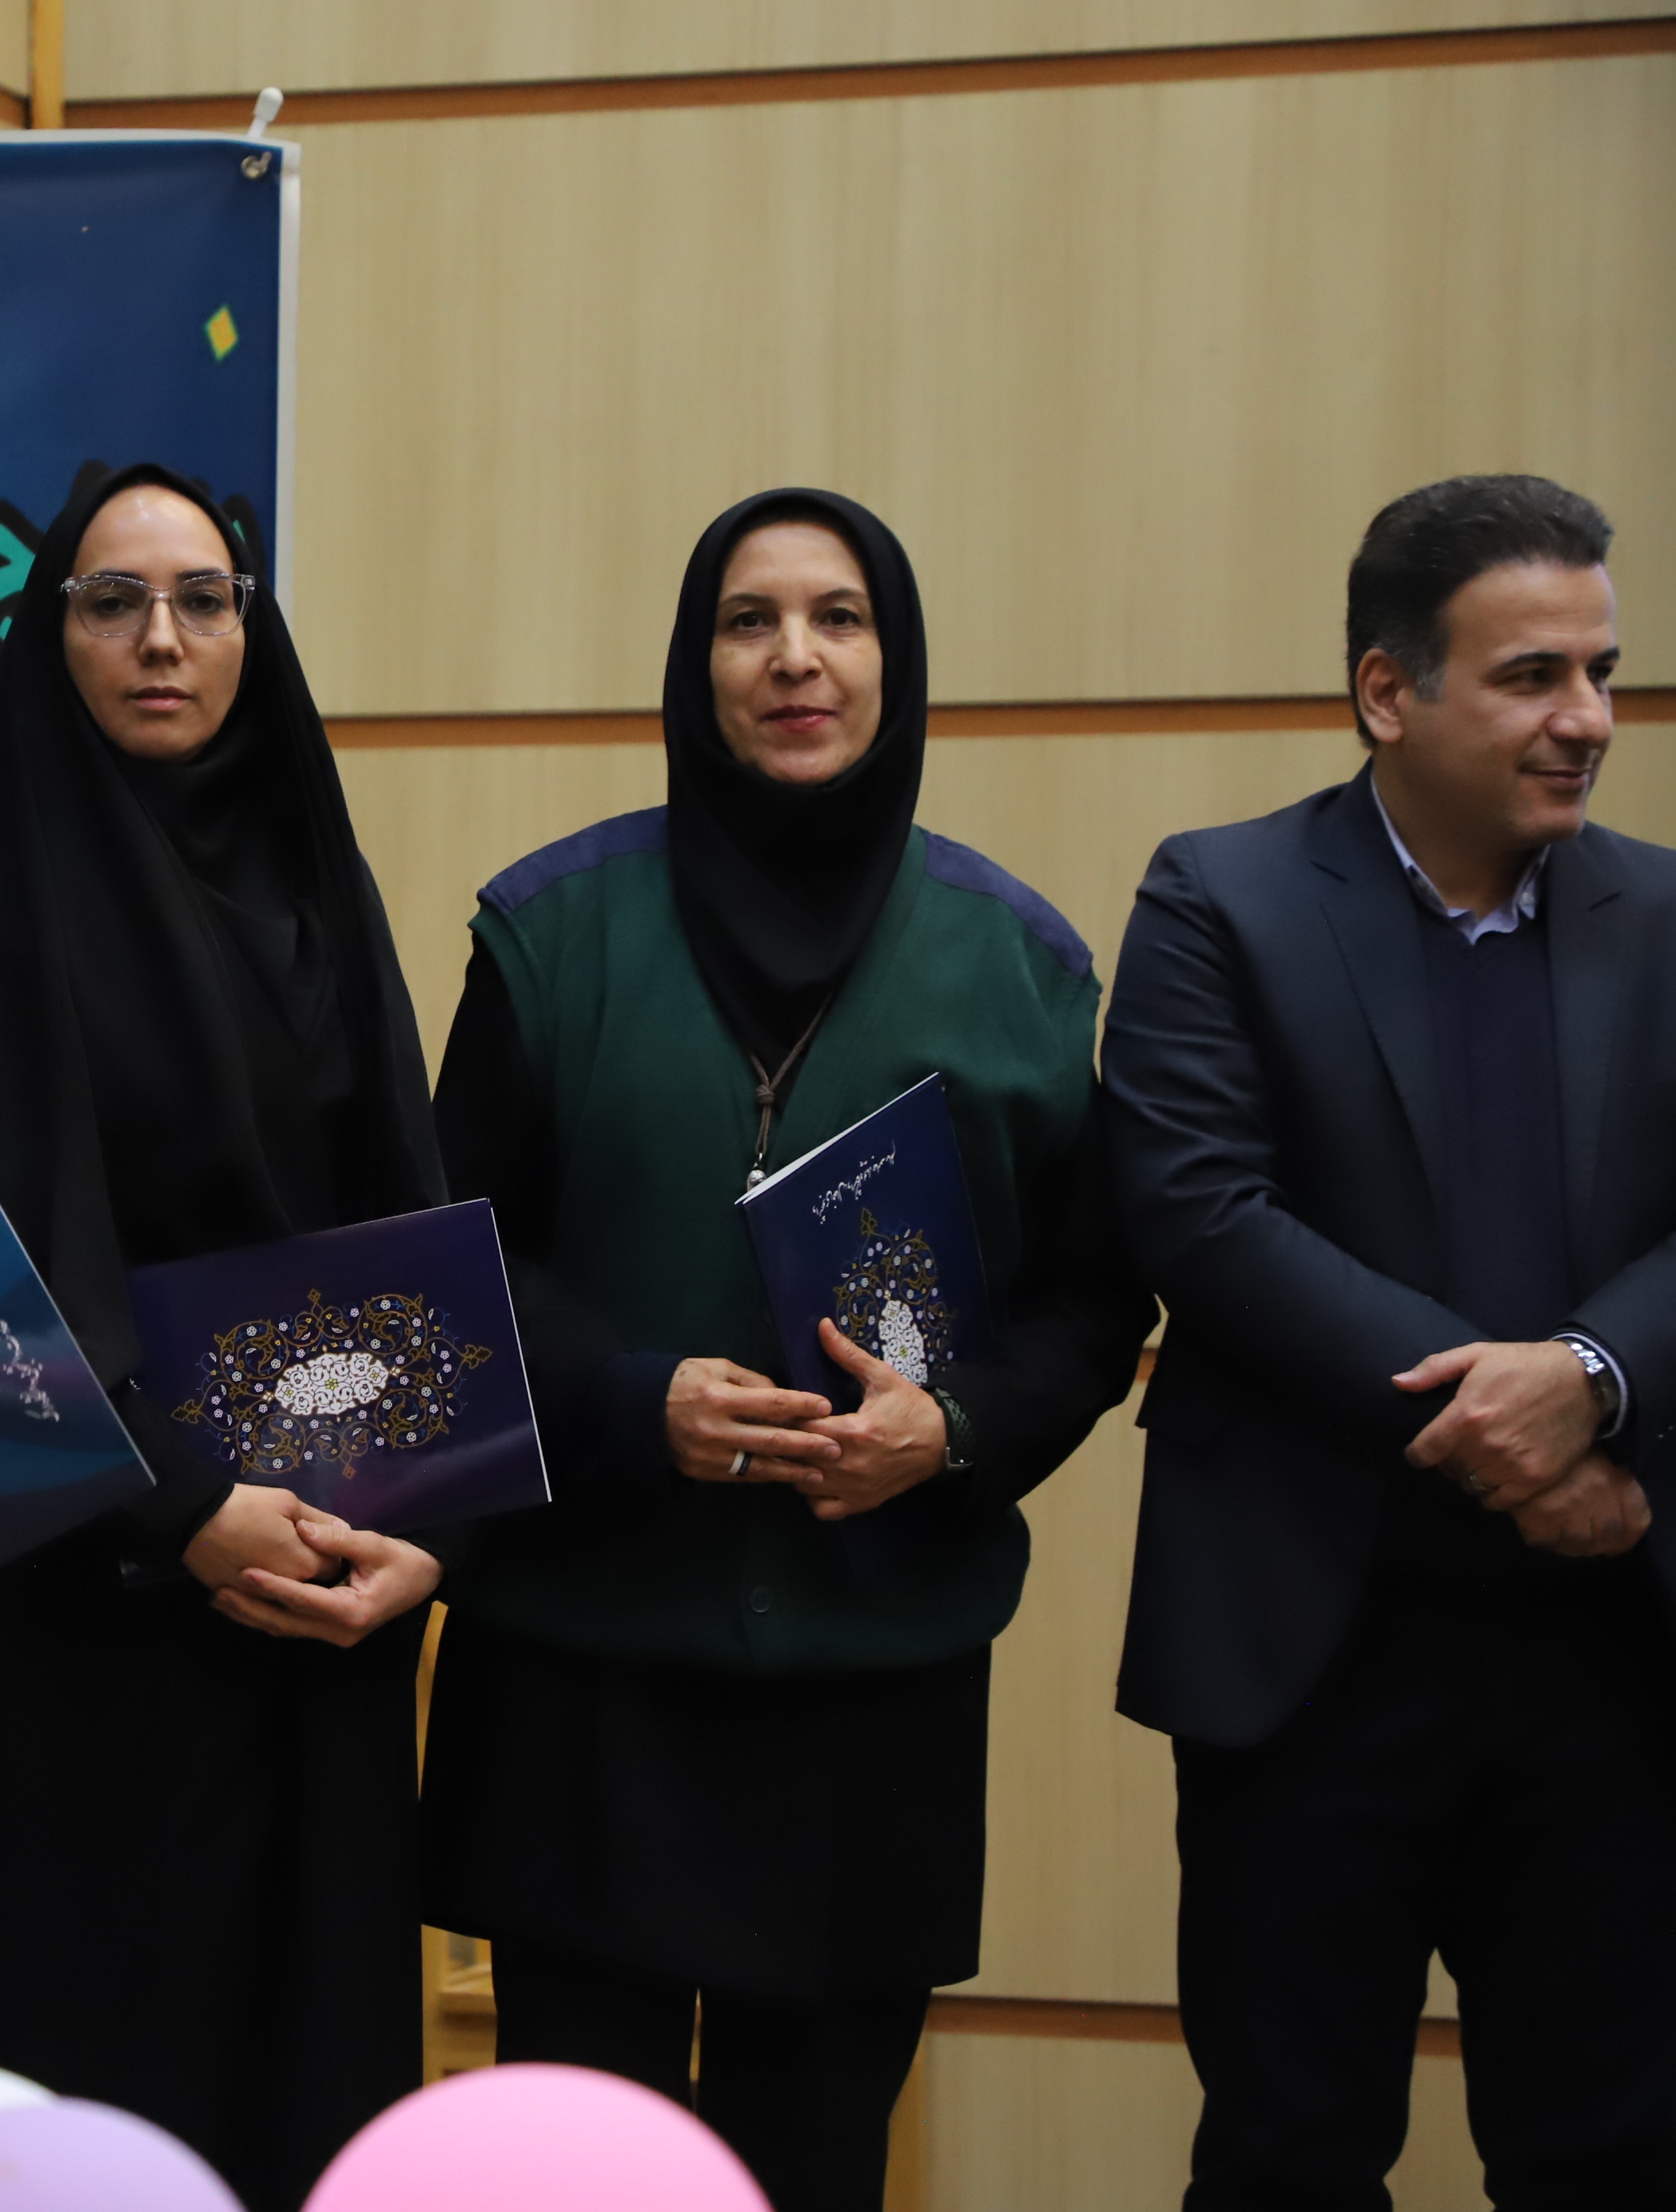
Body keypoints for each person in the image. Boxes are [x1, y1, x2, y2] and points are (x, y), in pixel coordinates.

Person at [420, 488, 1152, 2212]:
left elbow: (1095, 1300)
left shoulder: (1023, 965)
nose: (795, 658)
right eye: (748, 622)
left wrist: (950, 1430)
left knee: (814, 2167)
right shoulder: (552, 932)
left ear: (898, 661)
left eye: (840, 618)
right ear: (695, 666)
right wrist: (631, 1399)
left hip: (867, 1698)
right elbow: (450, 1259)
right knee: (573, 2182)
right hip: (585, 1675)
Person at [1101, 474, 1676, 2210]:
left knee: (1605, 2162)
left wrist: (1588, 1382)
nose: (1588, 720)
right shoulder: (1220, 899)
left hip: (1609, 1659)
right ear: (1386, 692)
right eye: (1532, 676)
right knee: (1287, 2158)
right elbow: (1200, 1212)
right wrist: (1513, 1440)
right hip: (1309, 1649)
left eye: (1602, 672)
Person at [0, 463, 452, 2211]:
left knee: (293, 2098)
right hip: (58, 1644)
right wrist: (180, 1506)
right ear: (52, 634)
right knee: (82, 2104)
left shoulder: (311, 875)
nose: (161, 639)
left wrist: (428, 1533)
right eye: (112, 602)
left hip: (308, 1609)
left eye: (203, 599)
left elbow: (400, 1223)